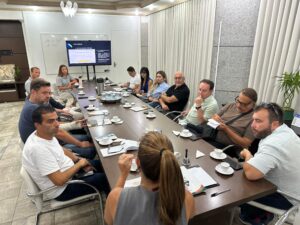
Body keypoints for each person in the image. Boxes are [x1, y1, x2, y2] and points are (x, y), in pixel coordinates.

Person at [104, 131, 194, 225]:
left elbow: (109, 221)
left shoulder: (115, 198)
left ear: (138, 162)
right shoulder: (187, 198)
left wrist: (123, 175)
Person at [22, 105, 109, 201]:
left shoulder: (44, 134)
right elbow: (59, 181)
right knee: (106, 178)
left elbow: (61, 150)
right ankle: (113, 210)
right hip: (62, 190)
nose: (56, 124)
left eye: (56, 119)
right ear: (37, 125)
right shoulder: (38, 149)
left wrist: (77, 160)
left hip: (70, 172)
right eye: (50, 121)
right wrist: (79, 165)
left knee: (105, 164)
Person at [239, 103, 300, 225]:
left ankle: (252, 219)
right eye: (253, 120)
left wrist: (247, 155)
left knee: (239, 188)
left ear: (275, 124)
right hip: (295, 190)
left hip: (288, 199)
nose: (253, 125)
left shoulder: (274, 143)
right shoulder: (286, 131)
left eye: (258, 121)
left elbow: (251, 173)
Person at [19, 78, 96, 159]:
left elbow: (55, 124)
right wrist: (80, 144)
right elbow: (58, 132)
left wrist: (75, 123)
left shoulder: (34, 101)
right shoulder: (33, 109)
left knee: (88, 138)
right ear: (33, 92)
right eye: (44, 93)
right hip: (46, 150)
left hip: (52, 140)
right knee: (92, 150)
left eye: (49, 93)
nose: (48, 96)